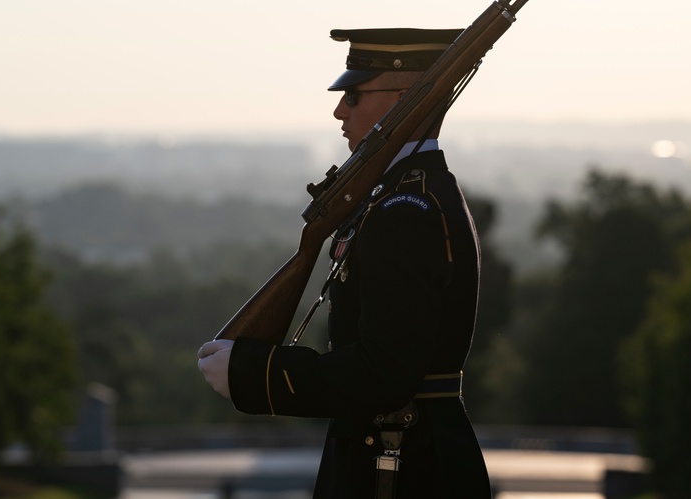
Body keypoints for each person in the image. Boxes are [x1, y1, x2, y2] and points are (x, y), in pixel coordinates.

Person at [198, 28, 492, 498]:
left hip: (400, 468)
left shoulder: (404, 212)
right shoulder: (403, 197)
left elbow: (384, 373)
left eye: (354, 95)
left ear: (406, 98)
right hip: (396, 455)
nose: (340, 110)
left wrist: (258, 374)